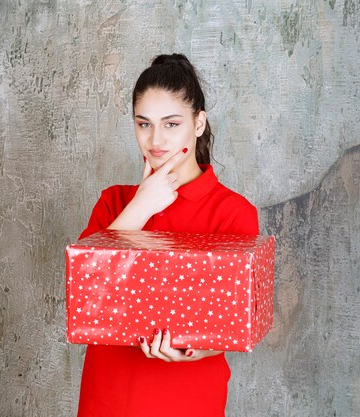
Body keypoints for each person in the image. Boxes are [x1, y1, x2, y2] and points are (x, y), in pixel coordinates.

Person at [75, 53, 259, 417]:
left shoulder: (233, 213)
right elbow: (85, 295)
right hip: (108, 396)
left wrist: (190, 348)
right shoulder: (114, 204)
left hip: (188, 397)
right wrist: (142, 205)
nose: (155, 140)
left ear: (199, 123)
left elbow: (235, 326)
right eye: (144, 124)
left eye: (171, 124)